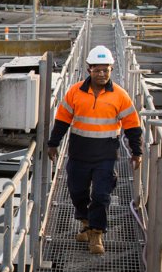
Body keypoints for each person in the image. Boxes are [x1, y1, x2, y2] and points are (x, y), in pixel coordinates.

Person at [45, 45, 143, 255]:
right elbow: (62, 120)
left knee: (101, 195)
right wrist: (53, 143)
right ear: (89, 69)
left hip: (105, 155)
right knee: (77, 192)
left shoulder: (120, 95)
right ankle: (85, 222)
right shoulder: (75, 92)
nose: (102, 74)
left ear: (111, 69)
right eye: (97, 70)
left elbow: (132, 125)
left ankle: (96, 233)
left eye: (106, 70)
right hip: (79, 154)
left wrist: (137, 152)